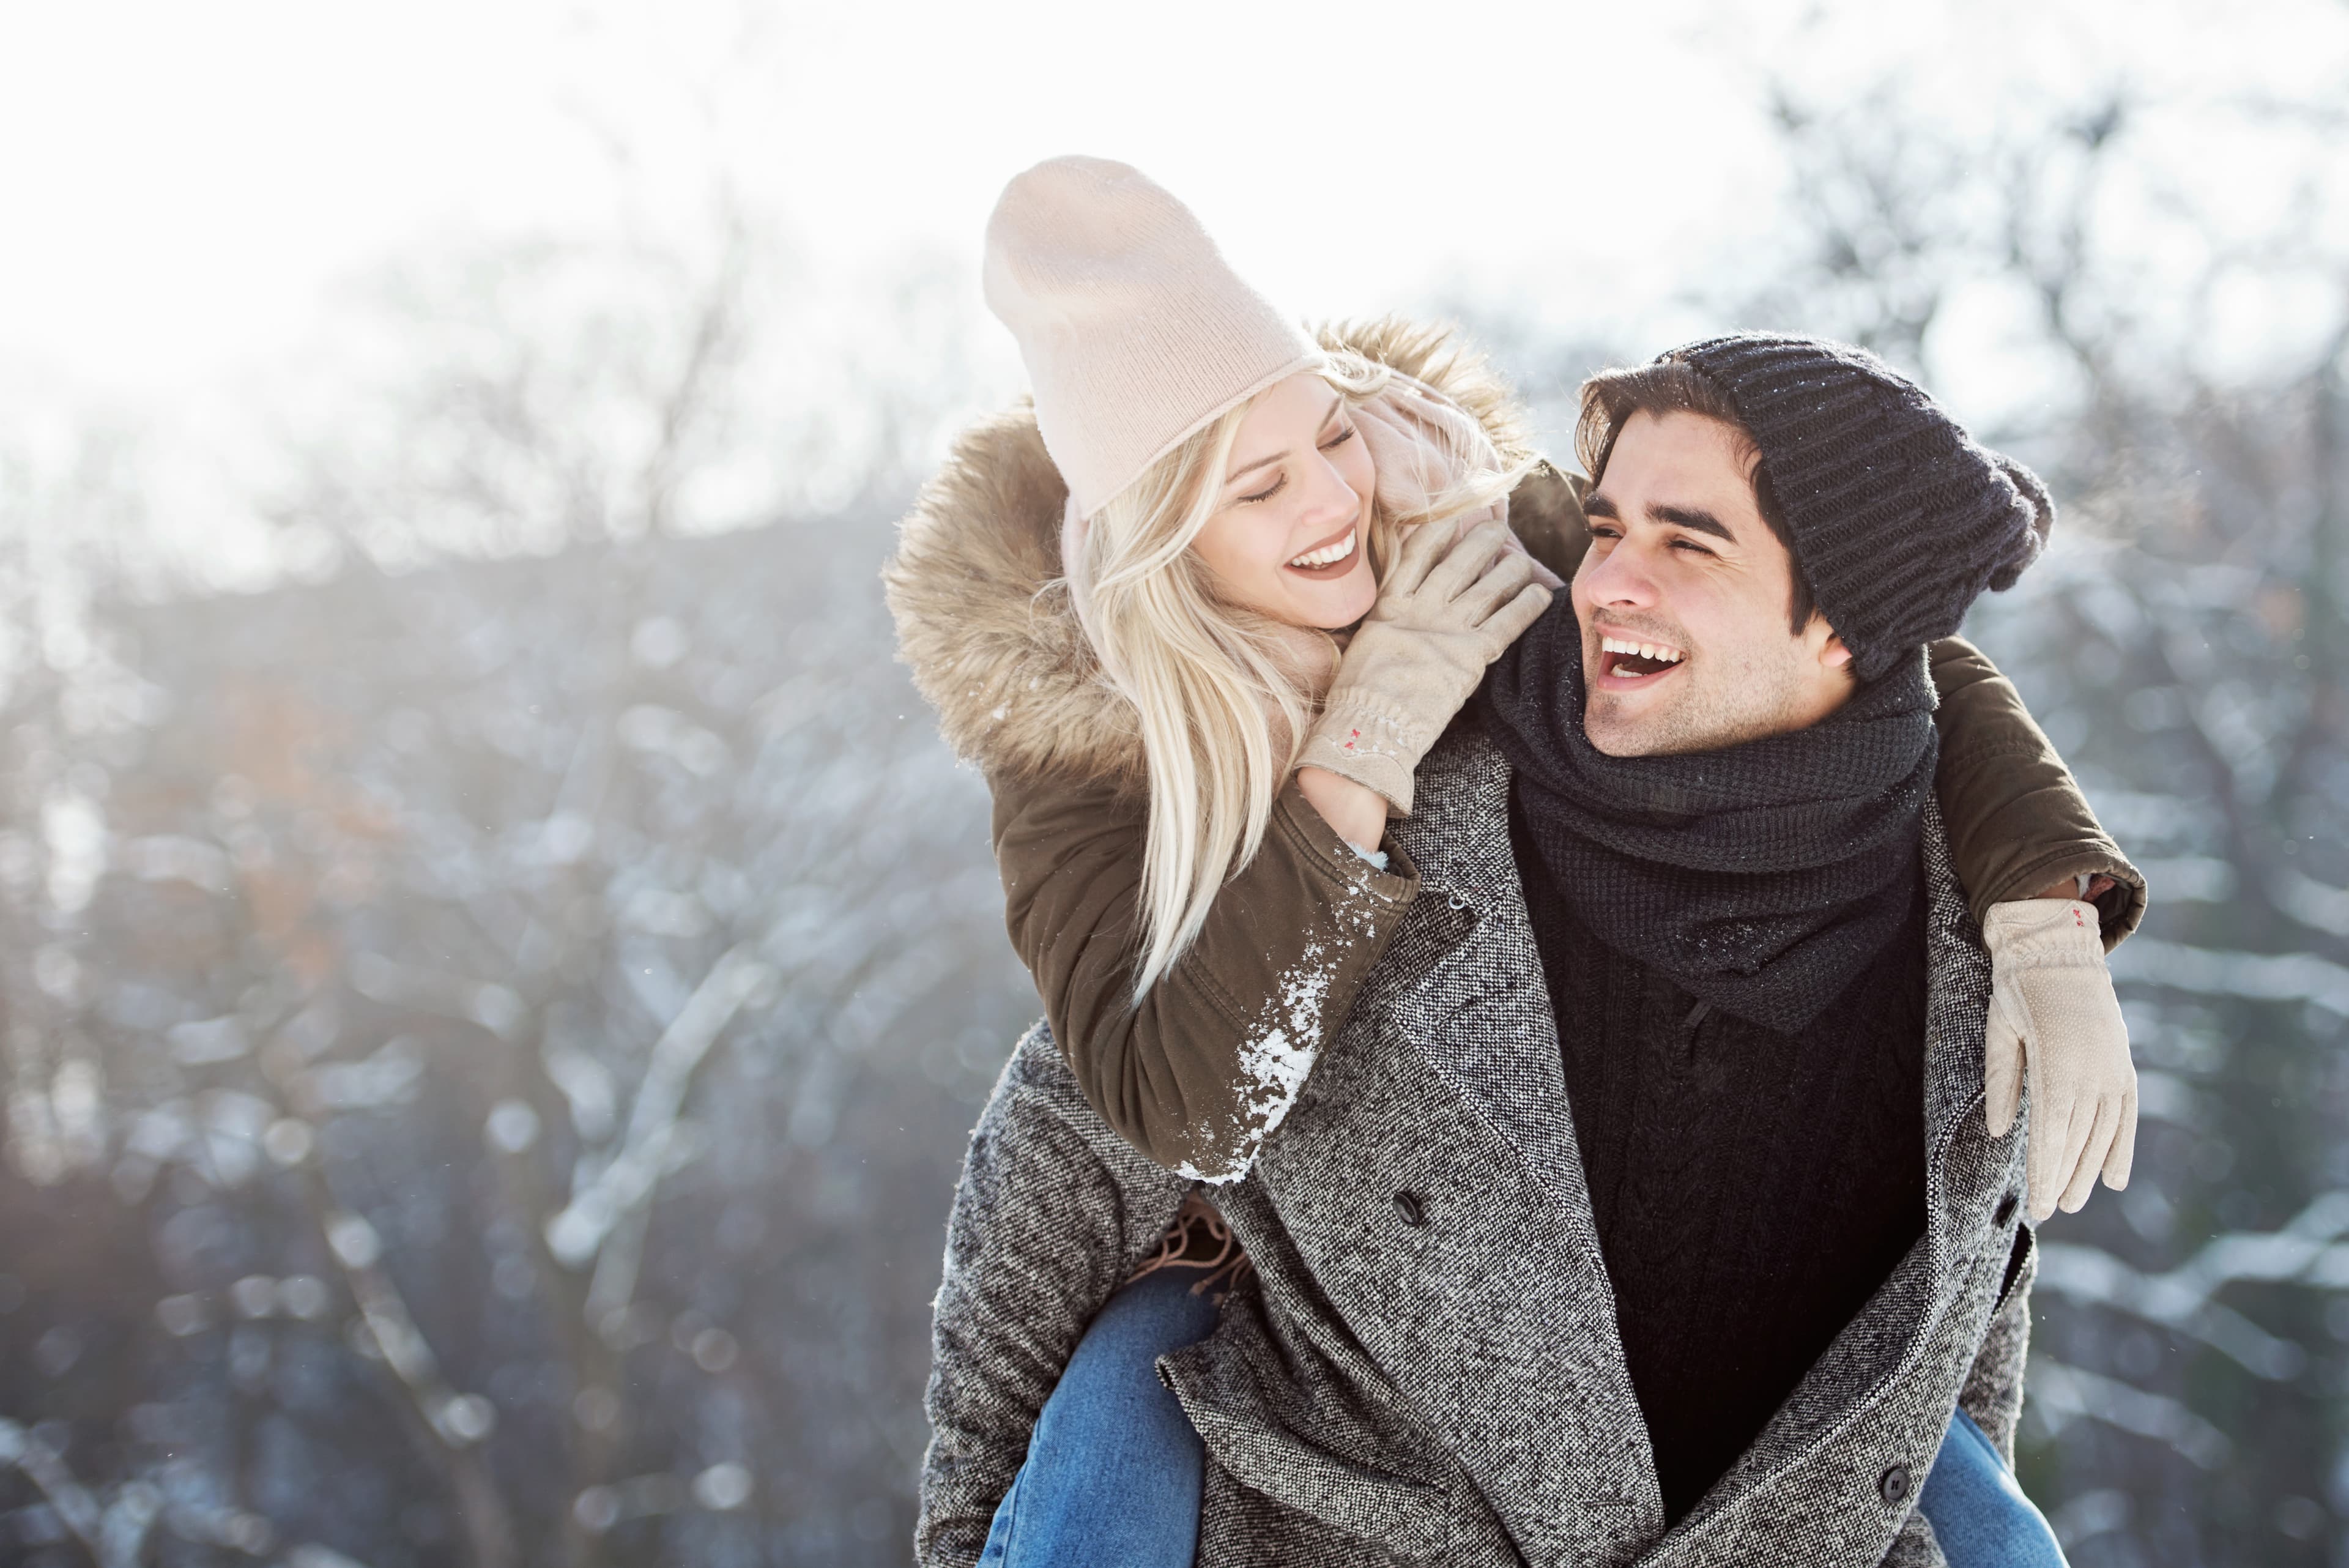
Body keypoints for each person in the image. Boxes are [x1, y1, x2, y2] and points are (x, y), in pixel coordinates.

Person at [888, 157, 2142, 1567]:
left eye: (1331, 435)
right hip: (1280, 1386)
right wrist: (1365, 737)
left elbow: (1866, 642)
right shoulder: (1093, 762)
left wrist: (2045, 910)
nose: (1328, 505)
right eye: (1259, 488)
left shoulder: (1466, 547)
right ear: (1161, 545)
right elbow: (1125, 1136)